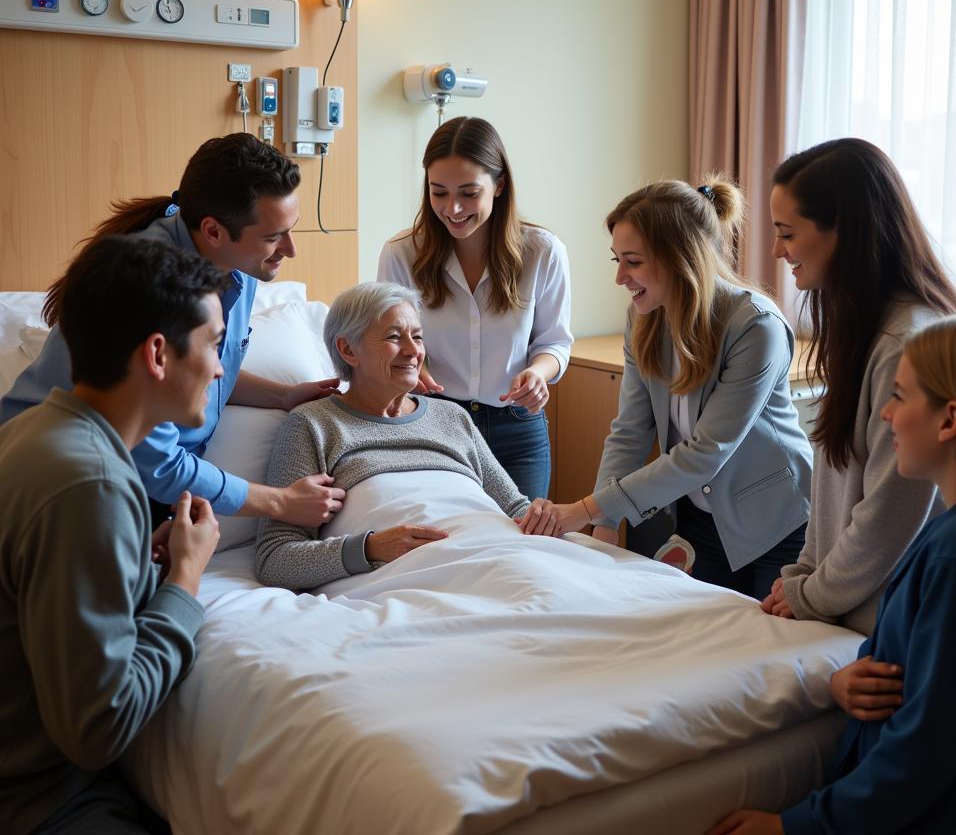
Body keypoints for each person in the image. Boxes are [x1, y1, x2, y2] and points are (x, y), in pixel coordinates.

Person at [709, 312, 956, 835]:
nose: (884, 417)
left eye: (898, 397)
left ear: (949, 420)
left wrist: (795, 825)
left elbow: (925, 750)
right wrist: (855, 673)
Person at [0, 236, 225, 834]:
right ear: (158, 353)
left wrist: (139, 567)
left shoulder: (32, 434)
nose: (221, 367)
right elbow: (99, 728)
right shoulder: (89, 483)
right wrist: (184, 579)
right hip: (44, 803)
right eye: (215, 345)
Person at [1, 133, 342, 528]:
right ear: (213, 231)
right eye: (272, 237)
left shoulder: (240, 266)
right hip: (59, 486)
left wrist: (282, 395)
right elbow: (158, 466)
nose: (291, 249)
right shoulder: (148, 291)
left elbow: (203, 369)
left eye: (290, 229)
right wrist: (281, 503)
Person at [521, 178, 811, 602]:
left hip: (774, 521)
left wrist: (583, 510)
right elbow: (631, 430)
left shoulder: (755, 327)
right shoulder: (644, 319)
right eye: (617, 260)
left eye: (633, 262)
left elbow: (704, 453)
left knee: (775, 647)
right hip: (698, 518)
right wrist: (605, 529)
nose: (621, 277)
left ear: (680, 258)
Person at [760, 138, 956, 634]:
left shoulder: (905, 342)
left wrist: (812, 592)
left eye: (788, 233)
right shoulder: (868, 329)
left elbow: (891, 513)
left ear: (844, 233)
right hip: (853, 610)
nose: (776, 250)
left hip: (891, 622)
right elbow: (833, 483)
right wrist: (804, 575)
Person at [255, 282, 561, 590]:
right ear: (348, 349)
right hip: (412, 579)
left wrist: (545, 515)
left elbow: (517, 510)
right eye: (393, 337)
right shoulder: (313, 425)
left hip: (498, 555)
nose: (414, 351)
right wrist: (370, 548)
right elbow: (274, 559)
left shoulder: (452, 417)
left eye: (417, 336)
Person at [377, 117, 571, 498]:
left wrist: (536, 374)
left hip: (518, 428)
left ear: (499, 186)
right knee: (450, 543)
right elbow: (393, 340)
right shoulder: (401, 254)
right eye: (439, 193)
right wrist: (416, 368)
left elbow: (555, 343)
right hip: (434, 422)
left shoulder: (543, 252)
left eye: (468, 193)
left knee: (522, 543)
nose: (452, 208)